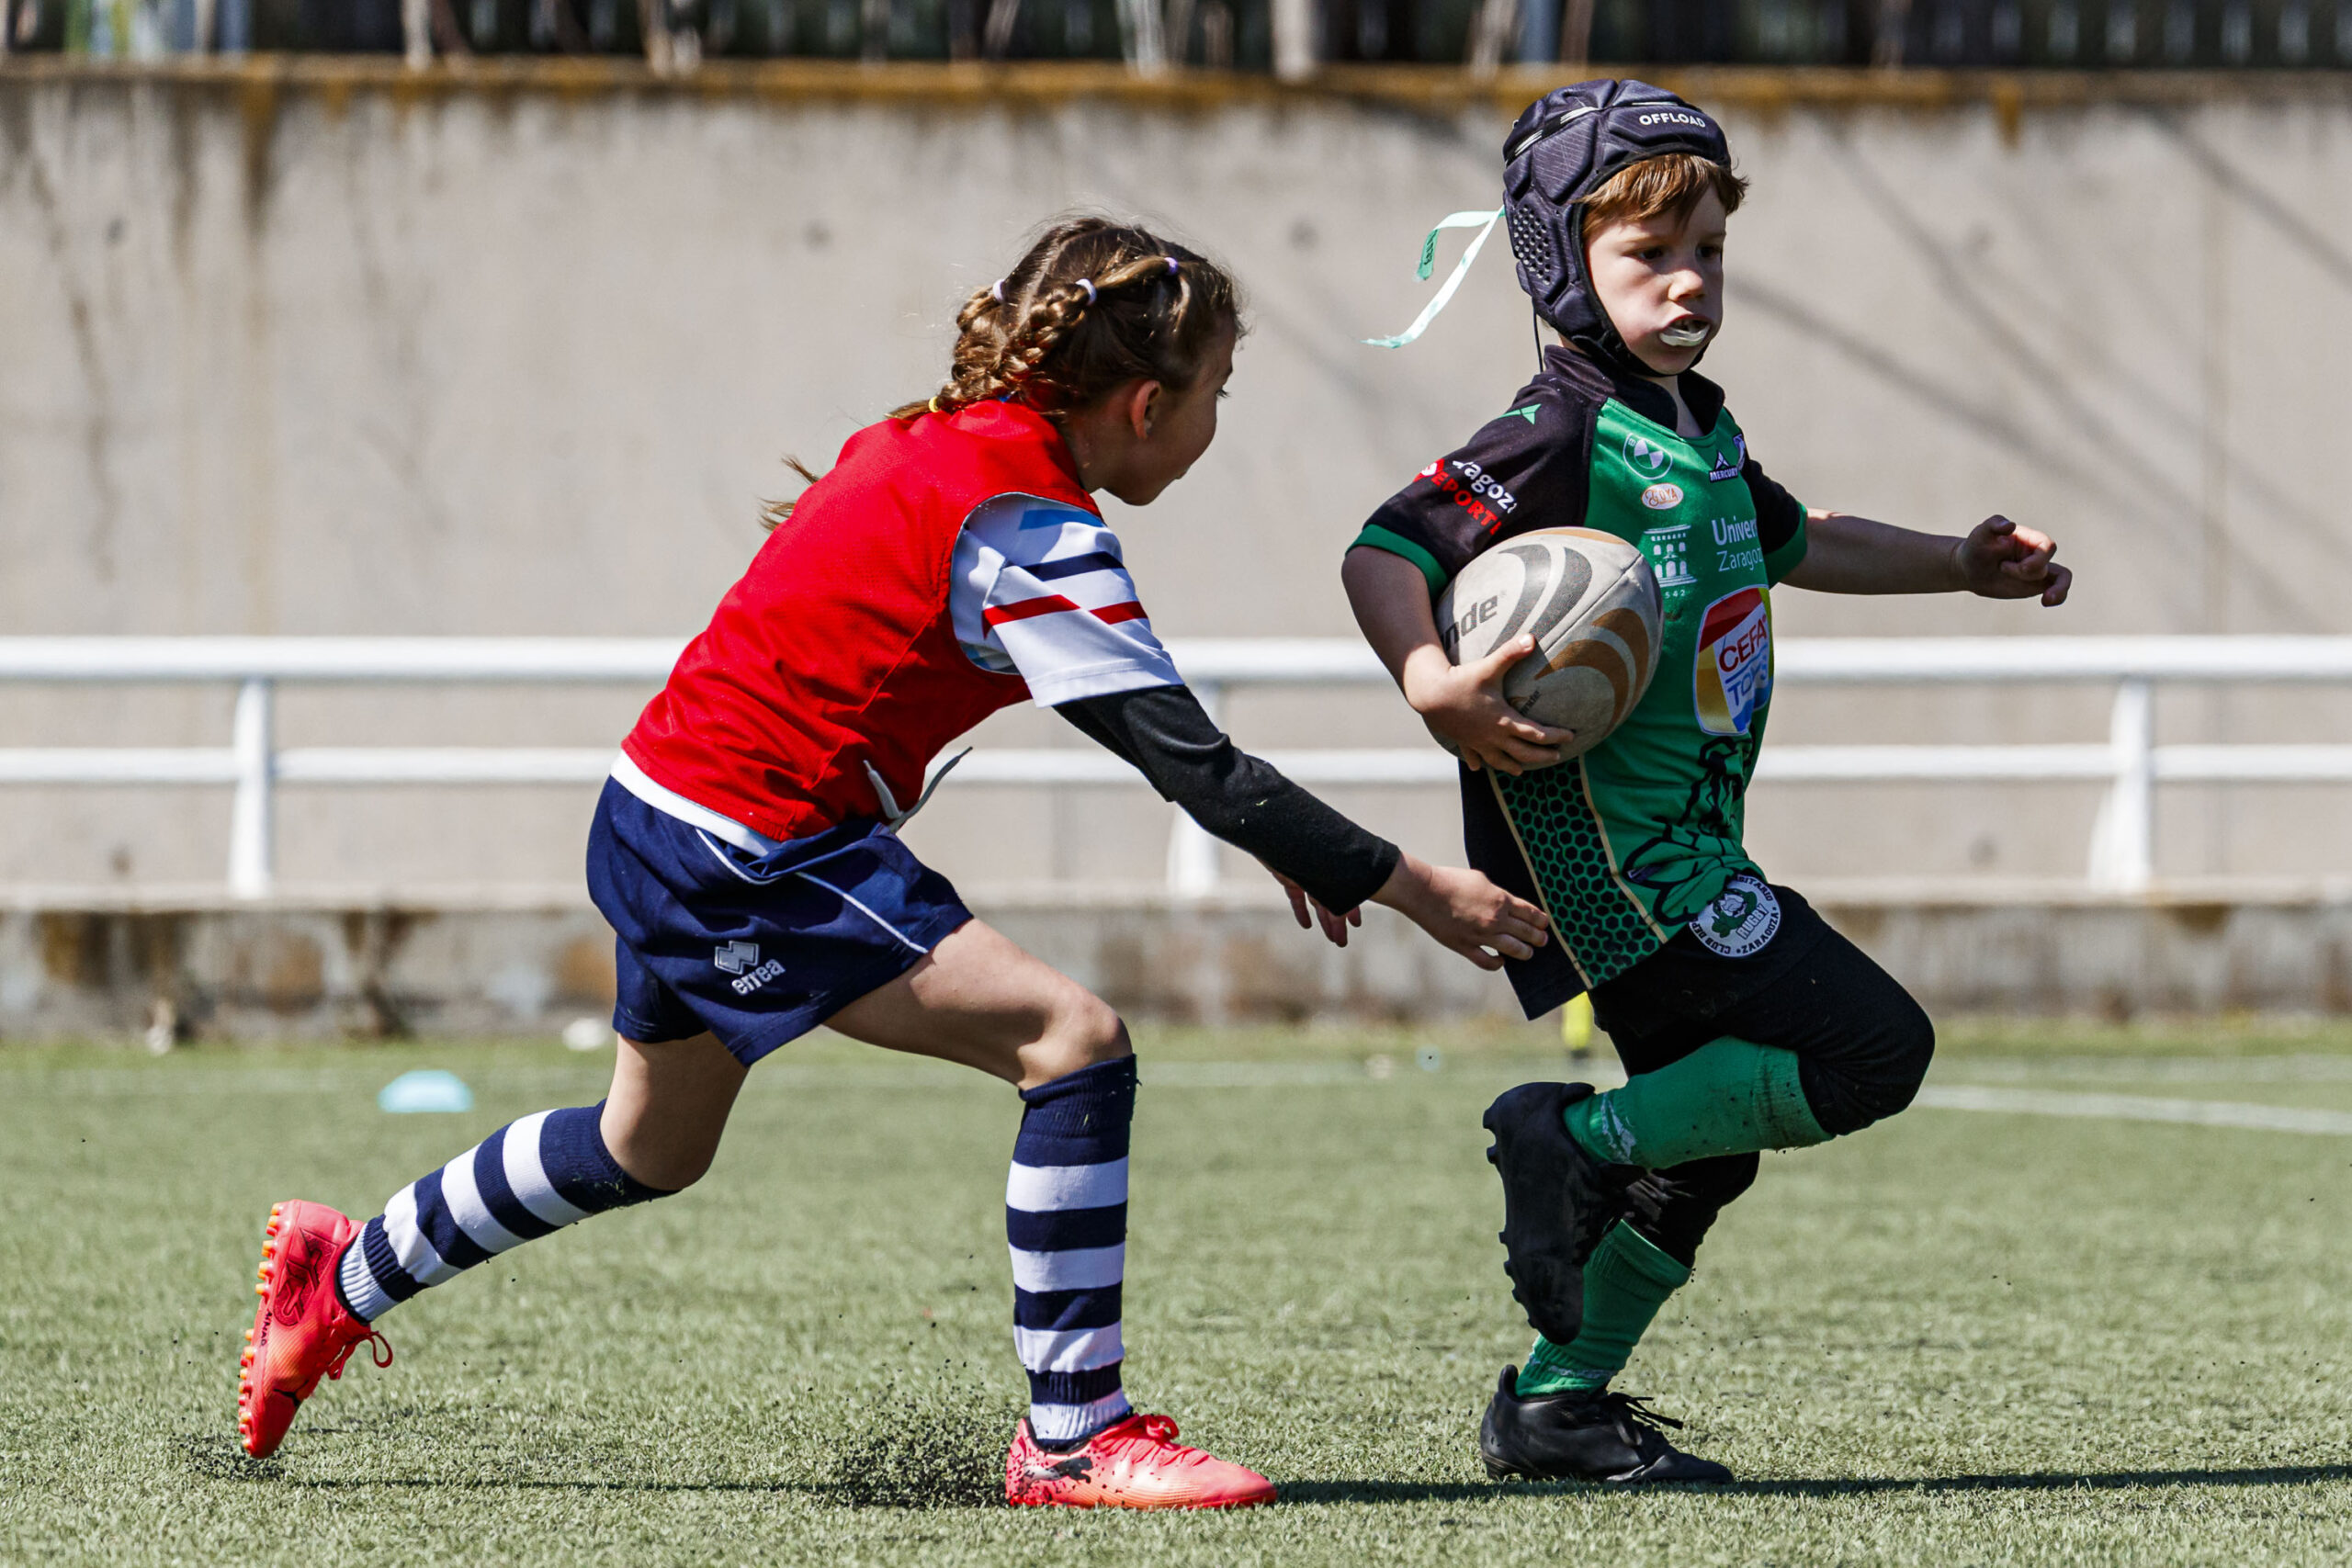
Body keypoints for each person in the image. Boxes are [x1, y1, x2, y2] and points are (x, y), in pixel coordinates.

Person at [234, 217, 1552, 1510]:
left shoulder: (926, 437)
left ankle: (340, 1274)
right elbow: (1190, 762)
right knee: (1071, 1039)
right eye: (1217, 393)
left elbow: (1172, 759)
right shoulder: (1033, 527)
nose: (1217, 421)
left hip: (653, 806)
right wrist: (1419, 888)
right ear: (1146, 405)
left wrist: (1282, 835)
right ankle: (1075, 1436)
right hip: (748, 844)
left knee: (648, 1146)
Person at [1341, 81, 2074, 1484]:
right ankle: (1564, 1135)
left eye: (1710, 252)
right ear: (1559, 263)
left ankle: (1559, 1406)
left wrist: (1958, 562)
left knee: (1711, 1145)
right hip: (1621, 865)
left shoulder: (1700, 430)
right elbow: (1387, 548)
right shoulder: (1556, 433)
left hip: (1683, 847)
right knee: (1873, 1052)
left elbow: (1799, 538)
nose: (1689, 280)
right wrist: (1431, 680)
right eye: (1646, 254)